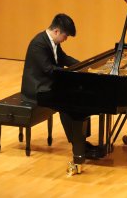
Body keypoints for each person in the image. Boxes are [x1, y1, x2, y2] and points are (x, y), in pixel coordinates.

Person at [21, 13, 96, 159]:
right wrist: (69, 74)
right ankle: (77, 144)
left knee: (81, 96)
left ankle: (82, 141)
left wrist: (82, 65)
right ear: (56, 31)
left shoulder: (53, 42)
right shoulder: (38, 44)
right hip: (38, 89)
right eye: (65, 36)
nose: (65, 39)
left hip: (49, 84)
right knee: (67, 103)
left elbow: (63, 58)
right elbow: (48, 69)